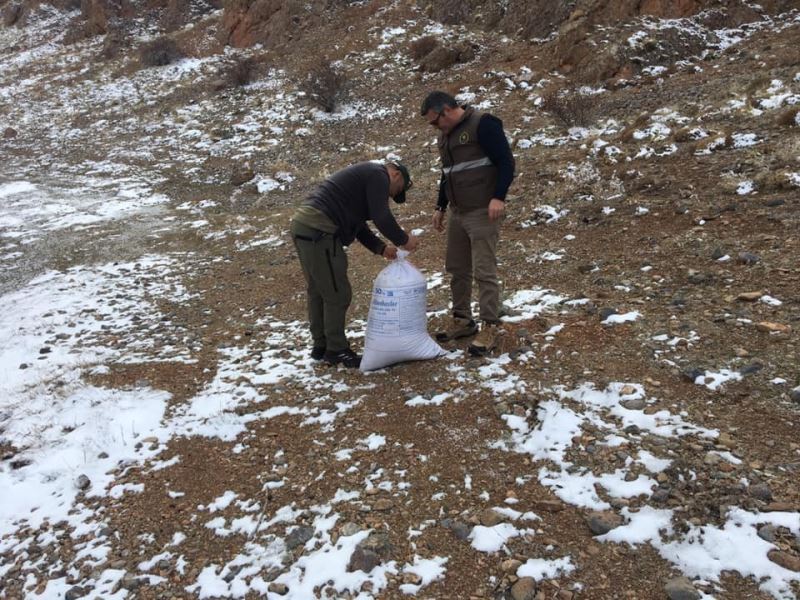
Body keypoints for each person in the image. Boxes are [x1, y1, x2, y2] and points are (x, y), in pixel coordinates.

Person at [290, 161, 418, 368]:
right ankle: (336, 350)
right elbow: (382, 217)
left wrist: (381, 248)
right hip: (319, 231)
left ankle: (321, 345)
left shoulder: (364, 177)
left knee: (319, 289)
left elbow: (359, 225)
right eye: (397, 191)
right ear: (395, 174)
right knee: (336, 292)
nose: (391, 197)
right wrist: (403, 239)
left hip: (304, 225)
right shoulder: (378, 175)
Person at [420, 91, 515, 356]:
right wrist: (440, 206)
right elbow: (447, 173)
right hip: (458, 212)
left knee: (484, 270)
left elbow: (506, 162)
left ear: (447, 110)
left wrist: (498, 197)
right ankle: (463, 321)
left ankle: (490, 326)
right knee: (457, 267)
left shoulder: (484, 124)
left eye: (434, 121)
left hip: (484, 210)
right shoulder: (446, 136)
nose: (434, 127)